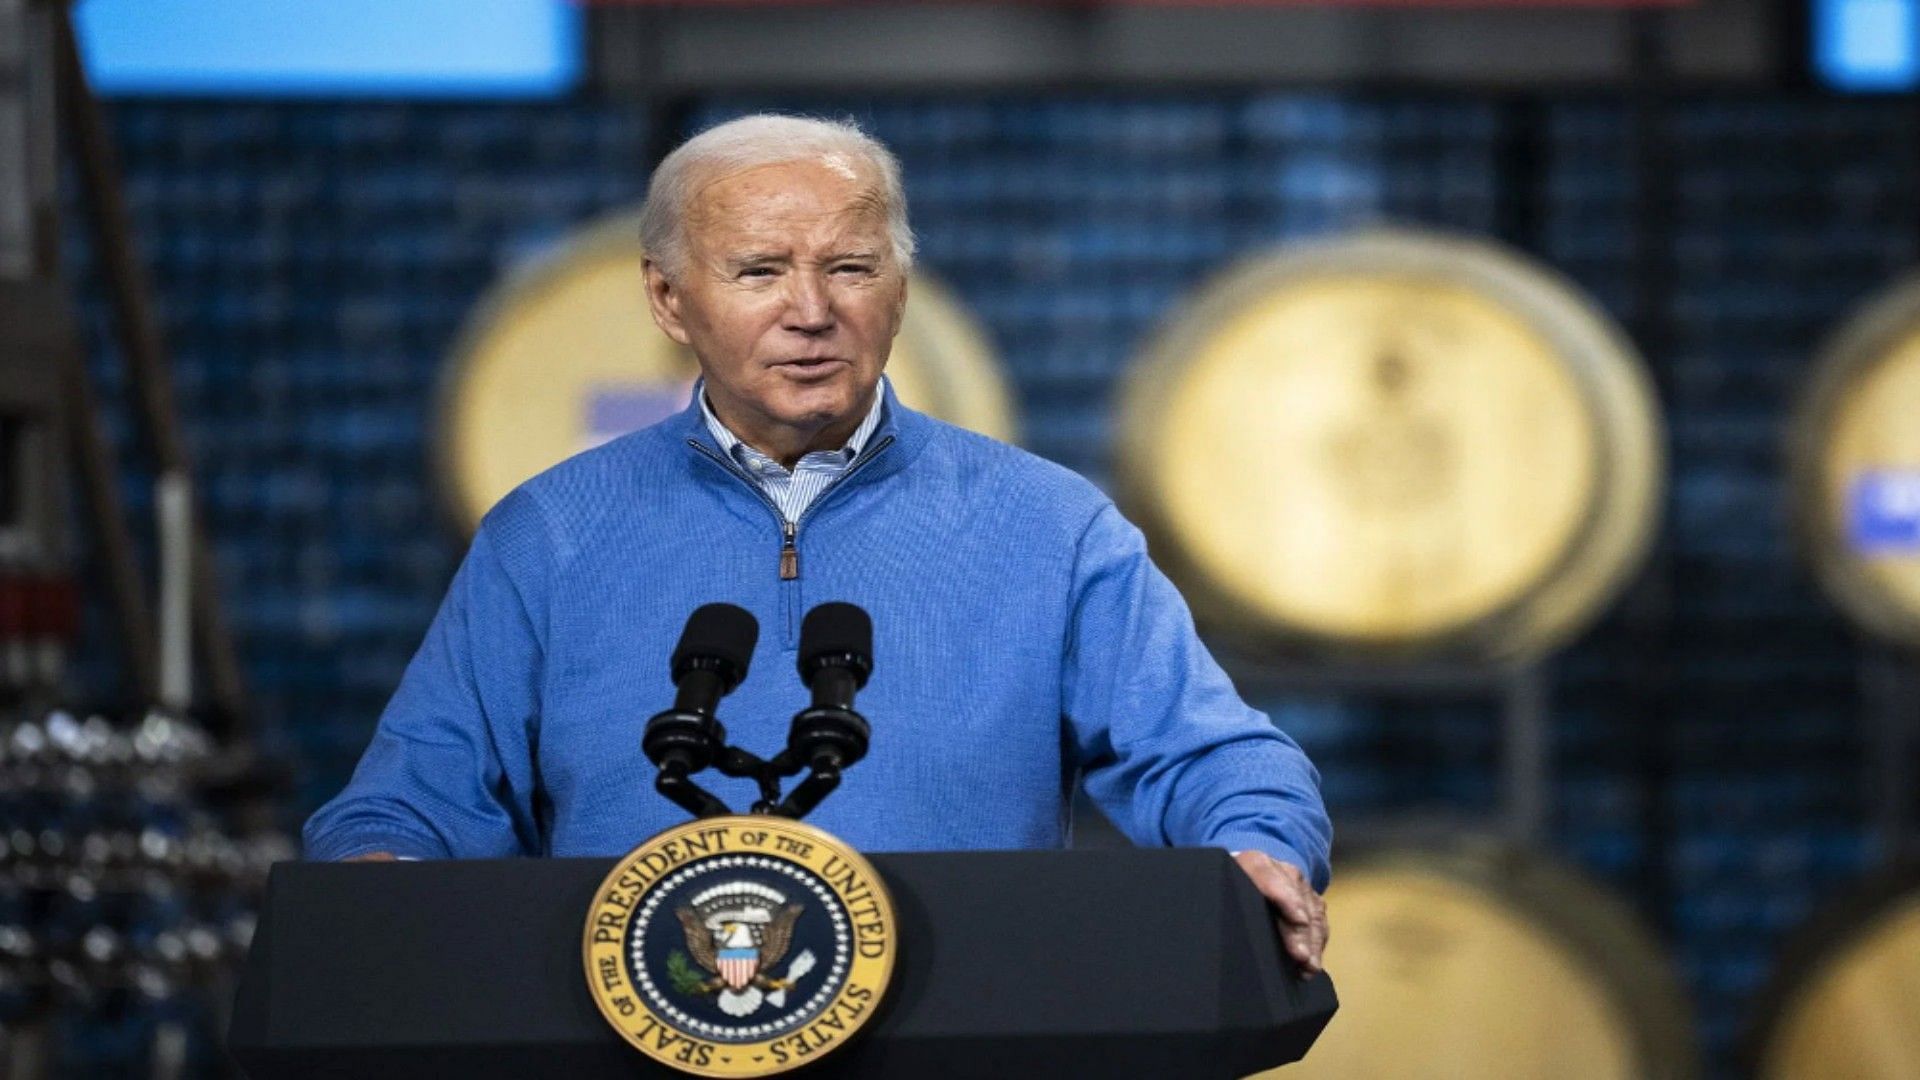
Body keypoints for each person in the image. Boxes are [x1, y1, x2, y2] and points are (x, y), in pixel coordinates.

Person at [303, 114, 1332, 977]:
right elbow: (416, 794)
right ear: (668, 299)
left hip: (970, 1038)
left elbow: (1212, 754)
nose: (811, 312)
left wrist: (1256, 842)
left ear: (901, 288)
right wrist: (377, 873)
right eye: (759, 270)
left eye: (849, 267)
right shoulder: (551, 532)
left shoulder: (1051, 525)